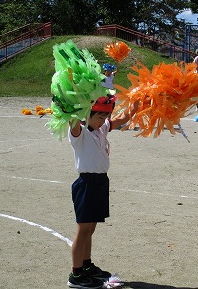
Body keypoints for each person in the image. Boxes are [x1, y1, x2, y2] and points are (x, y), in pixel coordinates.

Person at [67, 94, 138, 288]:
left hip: (100, 182)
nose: (103, 121)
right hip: (86, 184)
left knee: (91, 228)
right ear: (88, 114)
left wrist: (136, 106)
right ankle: (76, 275)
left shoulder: (102, 129)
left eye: (105, 117)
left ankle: (87, 266)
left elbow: (122, 119)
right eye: (99, 117)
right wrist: (75, 100)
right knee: (82, 230)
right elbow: (73, 120)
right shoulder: (80, 132)